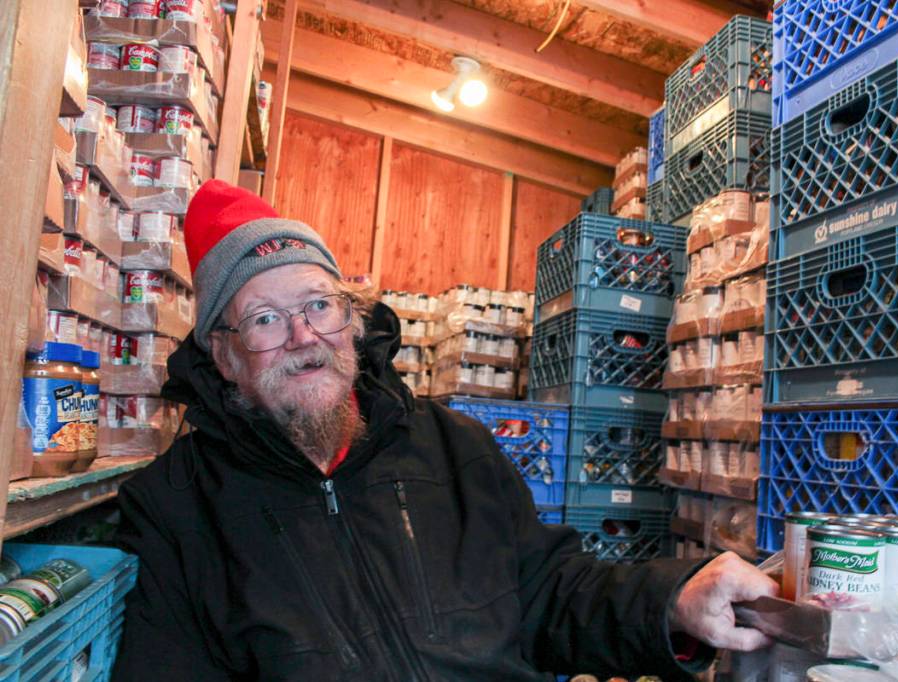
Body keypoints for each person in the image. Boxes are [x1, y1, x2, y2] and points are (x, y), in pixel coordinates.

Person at [112, 180, 777, 681]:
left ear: (351, 321)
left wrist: (675, 599)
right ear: (223, 356)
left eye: (320, 305)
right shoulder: (178, 506)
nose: (304, 336)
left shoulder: (452, 449)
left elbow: (552, 593)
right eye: (264, 319)